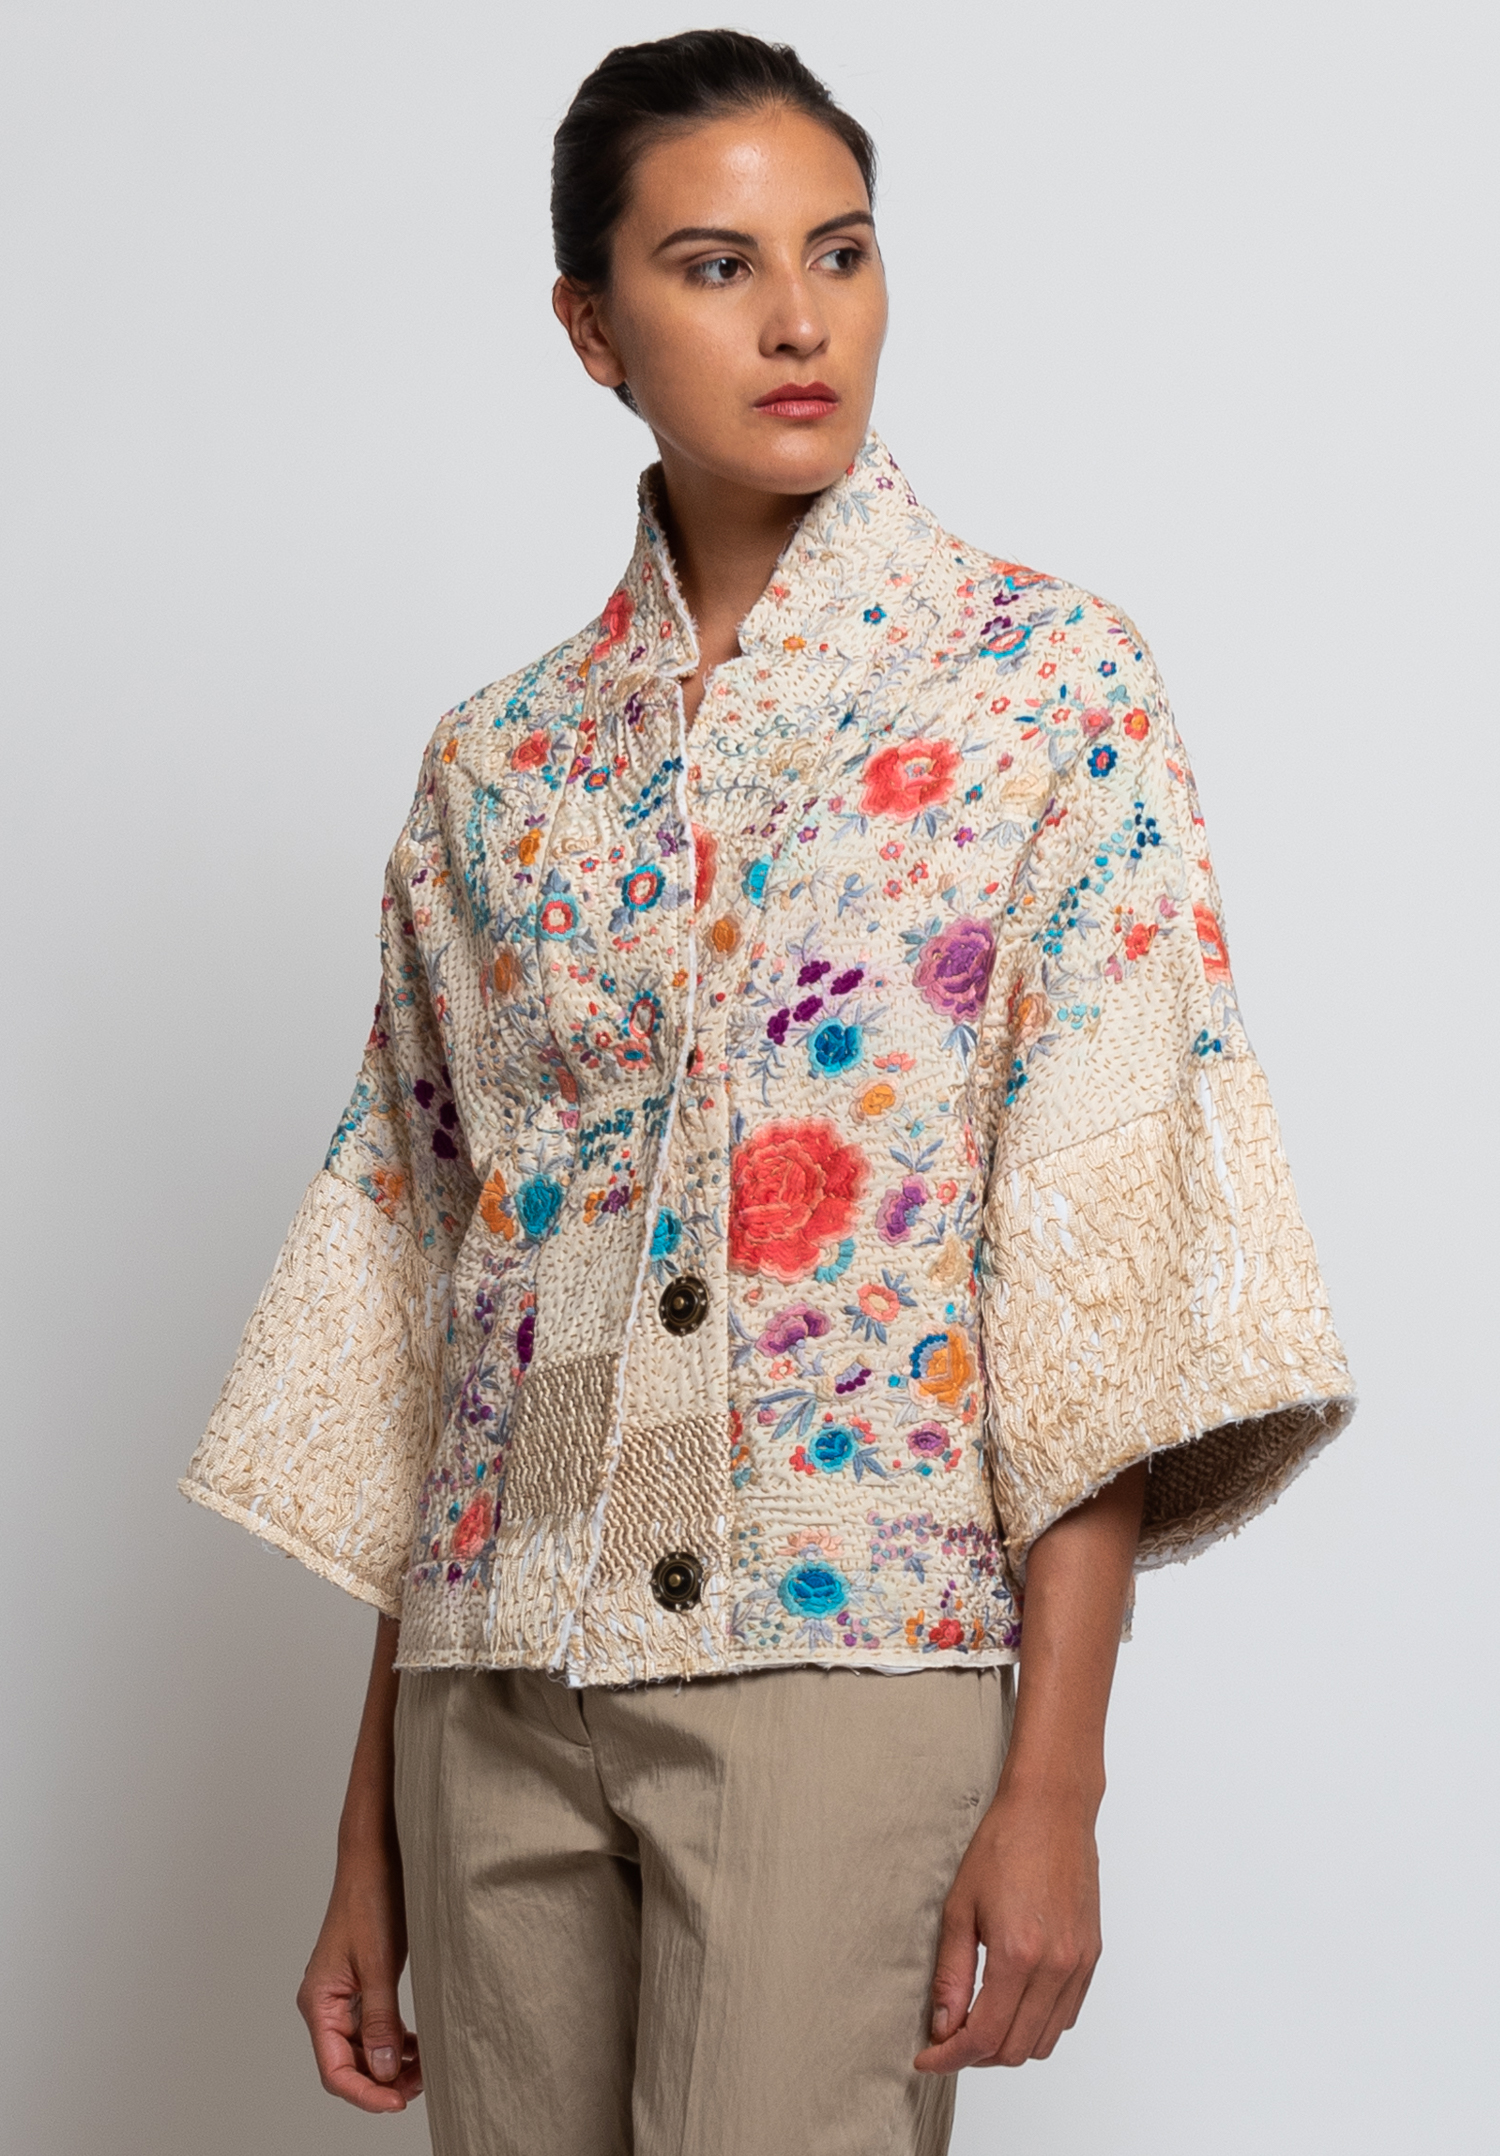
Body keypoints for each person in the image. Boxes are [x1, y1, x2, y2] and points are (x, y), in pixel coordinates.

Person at [181, 29, 1354, 2156]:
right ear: (590, 328)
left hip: (849, 1670)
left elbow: (1095, 1265)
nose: (801, 320)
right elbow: (445, 1310)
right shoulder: (497, 768)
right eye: (716, 266)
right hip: (492, 1695)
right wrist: (367, 1834)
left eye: (841, 250)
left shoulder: (1045, 689)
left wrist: (1057, 1782)